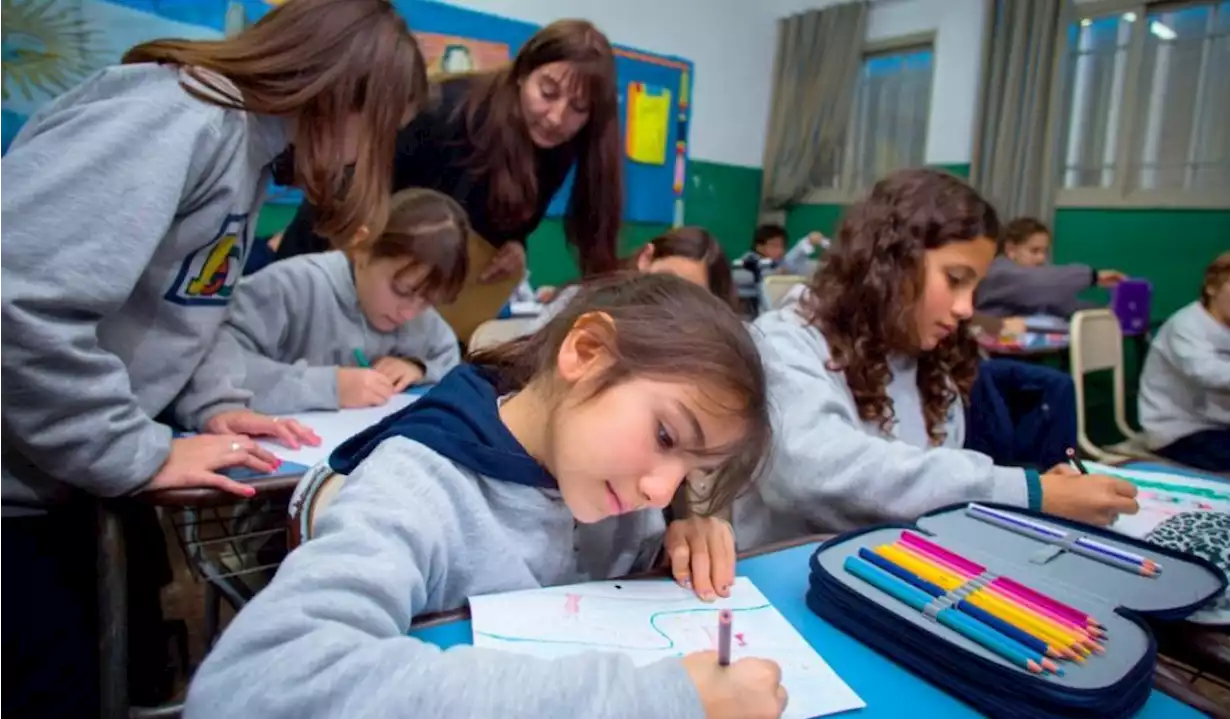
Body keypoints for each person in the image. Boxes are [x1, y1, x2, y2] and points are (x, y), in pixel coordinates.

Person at [0, 0, 425, 714]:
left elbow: (190, 305)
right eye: (378, 132)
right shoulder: (182, 115)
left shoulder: (247, 153)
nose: (360, 158)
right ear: (340, 92)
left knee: (121, 667)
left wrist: (216, 401)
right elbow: (19, 302)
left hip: (59, 477)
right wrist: (135, 451)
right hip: (23, 492)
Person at [184, 273, 788, 719]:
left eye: (690, 472)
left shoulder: (622, 501)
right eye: (664, 436)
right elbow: (255, 686)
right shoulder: (418, 486)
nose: (662, 489)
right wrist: (665, 702)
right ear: (586, 352)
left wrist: (679, 542)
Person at [734, 170, 1139, 551]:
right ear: (892, 264)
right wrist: (1026, 492)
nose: (966, 308)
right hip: (783, 577)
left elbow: (924, 485)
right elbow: (811, 472)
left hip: (885, 563)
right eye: (955, 280)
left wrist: (1038, 495)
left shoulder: (928, 359)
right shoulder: (784, 341)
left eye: (975, 288)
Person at [275, 19, 622, 299]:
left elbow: (507, 225)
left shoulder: (558, 149)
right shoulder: (444, 112)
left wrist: (514, 246)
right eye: (547, 92)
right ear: (521, 75)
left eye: (579, 108)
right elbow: (346, 192)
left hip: (419, 295)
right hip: (336, 261)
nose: (556, 117)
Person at [181, 188, 470, 417]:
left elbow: (449, 359)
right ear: (362, 246)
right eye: (402, 290)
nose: (409, 312)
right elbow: (209, 368)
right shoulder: (292, 286)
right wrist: (330, 387)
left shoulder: (419, 314)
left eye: (427, 302)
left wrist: (417, 367)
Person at [1139, 249, 1230, 477]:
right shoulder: (1186, 325)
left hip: (1226, 425)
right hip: (1179, 430)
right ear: (1212, 287)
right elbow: (1208, 373)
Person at [541, 226, 737, 325]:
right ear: (646, 259)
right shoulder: (579, 302)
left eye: (691, 294)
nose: (671, 298)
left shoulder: (715, 351)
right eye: (664, 279)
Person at [975, 216, 1126, 323]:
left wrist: (1106, 311)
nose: (1041, 258)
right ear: (1011, 250)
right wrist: (1093, 276)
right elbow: (1034, 283)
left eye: (1044, 252)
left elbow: (1064, 304)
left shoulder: (1038, 280)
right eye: (1034, 251)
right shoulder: (997, 272)